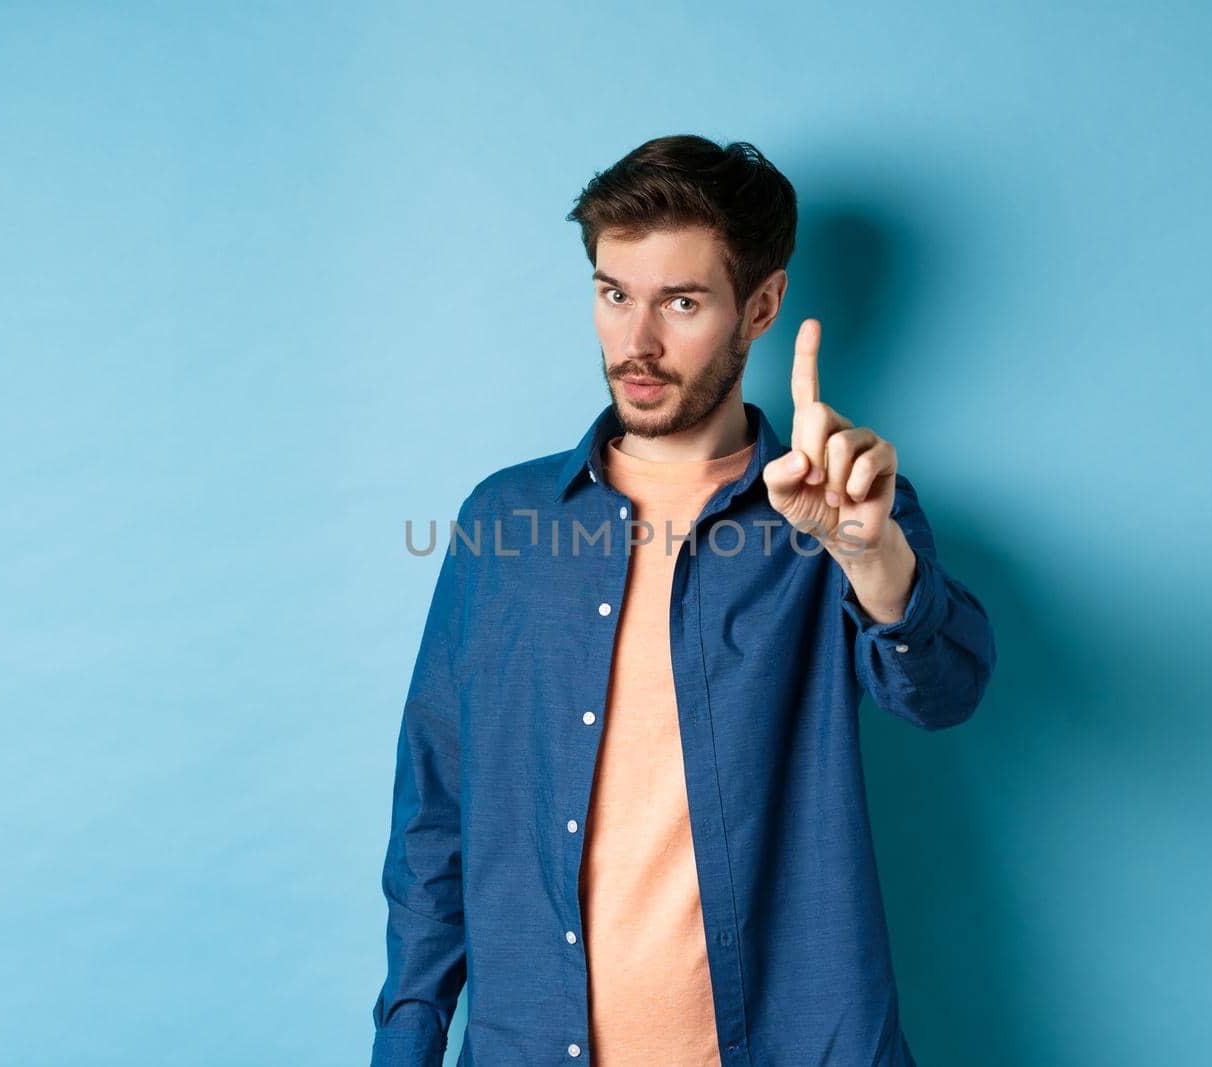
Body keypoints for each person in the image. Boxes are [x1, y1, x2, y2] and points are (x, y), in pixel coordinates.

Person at [370, 134, 997, 1067]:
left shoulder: (847, 508)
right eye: (615, 294)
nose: (638, 342)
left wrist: (871, 558)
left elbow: (945, 691)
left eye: (683, 302)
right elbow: (434, 813)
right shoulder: (504, 523)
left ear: (763, 306)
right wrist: (407, 1040)